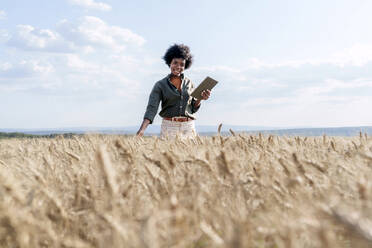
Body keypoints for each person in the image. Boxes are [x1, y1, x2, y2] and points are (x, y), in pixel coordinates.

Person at [136, 43, 211, 138]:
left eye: (182, 64)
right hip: (169, 127)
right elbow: (152, 108)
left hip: (188, 127)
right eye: (175, 63)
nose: (178, 67)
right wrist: (142, 130)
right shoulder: (160, 85)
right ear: (169, 63)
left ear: (186, 66)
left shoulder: (190, 84)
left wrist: (201, 98)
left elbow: (192, 108)